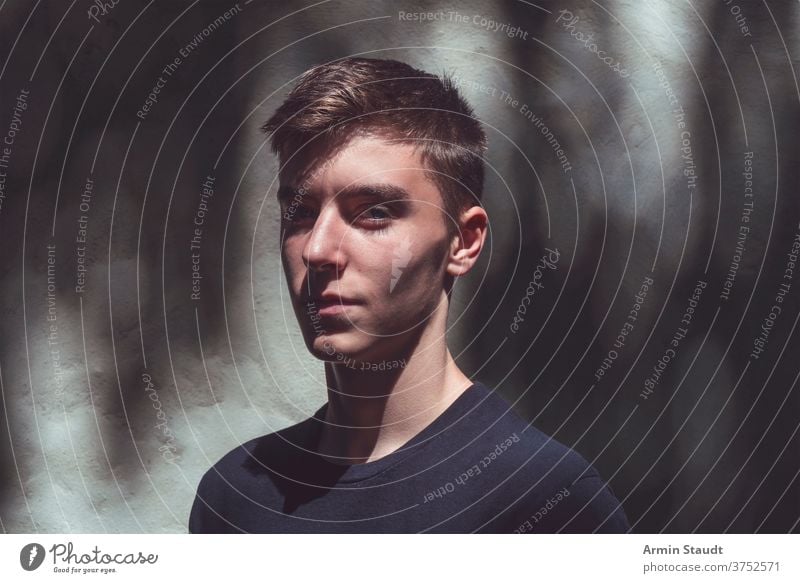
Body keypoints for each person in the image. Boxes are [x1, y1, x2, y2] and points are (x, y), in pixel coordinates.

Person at [189, 57, 628, 533]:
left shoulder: (542, 500)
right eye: (300, 214)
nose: (317, 249)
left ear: (463, 242)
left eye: (374, 212)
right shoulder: (235, 496)